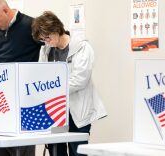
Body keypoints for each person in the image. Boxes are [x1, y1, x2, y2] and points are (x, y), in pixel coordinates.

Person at [31, 11, 107, 156]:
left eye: (47, 37)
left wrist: (52, 90)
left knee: (77, 152)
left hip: (78, 110)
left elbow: (79, 81)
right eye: (43, 39)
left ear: (56, 29)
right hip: (56, 111)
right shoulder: (46, 50)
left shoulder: (82, 47)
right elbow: (41, 75)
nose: (46, 42)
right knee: (56, 152)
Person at [0, 0, 41, 156]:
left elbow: (55, 41)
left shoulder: (32, 25)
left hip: (23, 103)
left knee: (23, 151)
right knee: (1, 150)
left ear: (5, 10)